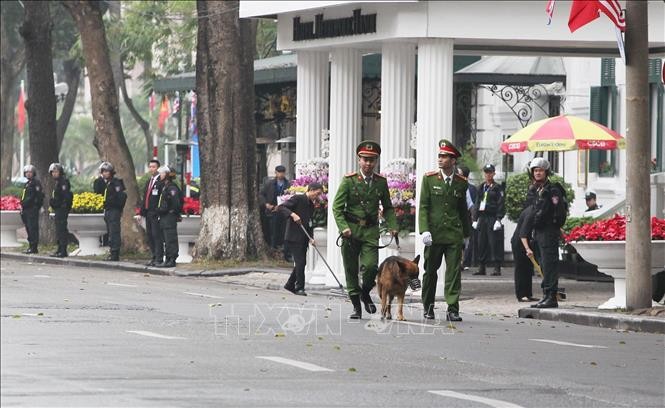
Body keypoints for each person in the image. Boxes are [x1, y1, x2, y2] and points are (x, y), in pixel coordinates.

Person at [332, 141, 398, 319]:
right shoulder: (349, 180)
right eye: (365, 160)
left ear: (376, 161)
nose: (368, 163)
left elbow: (388, 207)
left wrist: (393, 226)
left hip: (370, 231)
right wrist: (343, 227)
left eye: (372, 160)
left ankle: (365, 292)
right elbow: (337, 208)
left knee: (370, 267)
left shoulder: (381, 182)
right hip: (351, 231)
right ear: (359, 160)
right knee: (351, 269)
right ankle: (356, 307)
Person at [419, 140, 471, 322]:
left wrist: (466, 235)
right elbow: (424, 206)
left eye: (445, 156)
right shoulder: (429, 178)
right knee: (430, 271)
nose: (440, 159)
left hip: (453, 234)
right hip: (434, 234)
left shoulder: (461, 182)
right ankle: (428, 306)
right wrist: (424, 230)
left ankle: (453, 308)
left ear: (453, 160)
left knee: (453, 272)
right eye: (440, 156)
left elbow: (463, 209)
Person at [527, 157, 565, 309]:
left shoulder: (552, 190)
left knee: (550, 264)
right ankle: (546, 294)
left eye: (540, 170)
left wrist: (554, 226)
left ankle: (551, 296)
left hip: (548, 231)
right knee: (543, 263)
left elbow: (559, 212)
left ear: (546, 172)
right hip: (539, 232)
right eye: (535, 170)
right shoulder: (538, 190)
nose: (537, 173)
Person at [278, 182, 324, 296]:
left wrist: (311, 238)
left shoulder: (311, 205)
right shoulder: (298, 198)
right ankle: (300, 287)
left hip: (304, 237)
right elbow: (281, 207)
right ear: (311, 190)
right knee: (300, 262)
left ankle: (289, 284)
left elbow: (309, 223)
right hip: (294, 236)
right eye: (317, 193)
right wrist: (293, 214)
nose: (317, 196)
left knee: (301, 263)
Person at [472, 164, 505, 276]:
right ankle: (482, 266)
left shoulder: (497, 188)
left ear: (494, 173)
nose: (488, 174)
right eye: (486, 172)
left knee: (494, 242)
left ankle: (497, 267)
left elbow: (501, 204)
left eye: (490, 172)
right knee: (481, 242)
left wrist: (499, 219)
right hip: (482, 217)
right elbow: (477, 203)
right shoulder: (481, 187)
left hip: (492, 217)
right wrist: (475, 219)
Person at [259, 165, 291, 257]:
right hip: (272, 210)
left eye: (282, 173)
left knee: (284, 231)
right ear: (276, 173)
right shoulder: (269, 184)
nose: (281, 174)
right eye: (279, 172)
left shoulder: (288, 184)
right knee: (273, 230)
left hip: (283, 210)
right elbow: (261, 194)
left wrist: (282, 206)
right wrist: (266, 204)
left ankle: (284, 251)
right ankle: (272, 249)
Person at [156, 165, 182, 268]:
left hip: (169, 217)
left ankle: (171, 259)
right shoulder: (165, 186)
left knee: (170, 239)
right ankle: (167, 259)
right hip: (164, 217)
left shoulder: (172, 188)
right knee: (166, 240)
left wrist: (171, 212)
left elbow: (176, 204)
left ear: (167, 175)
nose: (160, 175)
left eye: (162, 173)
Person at [139, 160, 164, 266]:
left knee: (156, 235)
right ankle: (154, 257)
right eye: (150, 166)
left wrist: (158, 211)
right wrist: (141, 212)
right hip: (148, 212)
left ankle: (159, 258)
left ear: (158, 168)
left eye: (153, 167)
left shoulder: (161, 181)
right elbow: (145, 197)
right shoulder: (149, 181)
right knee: (150, 235)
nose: (151, 169)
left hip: (156, 213)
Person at [100, 162, 127, 261]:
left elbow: (122, 196)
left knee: (114, 232)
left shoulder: (116, 183)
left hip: (114, 211)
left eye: (107, 171)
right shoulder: (108, 183)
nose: (105, 173)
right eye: (103, 171)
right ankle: (112, 252)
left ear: (111, 172)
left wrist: (118, 208)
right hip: (108, 210)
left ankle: (115, 254)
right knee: (110, 232)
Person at [48, 163, 73, 258]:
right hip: (58, 209)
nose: (54, 173)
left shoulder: (63, 182)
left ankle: (63, 250)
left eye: (56, 171)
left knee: (62, 229)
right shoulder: (58, 182)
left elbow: (65, 196)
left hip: (62, 209)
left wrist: (61, 205)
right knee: (59, 230)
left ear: (60, 172)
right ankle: (59, 249)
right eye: (53, 172)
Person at [20, 164, 44, 254]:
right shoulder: (27, 184)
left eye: (30, 172)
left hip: (32, 209)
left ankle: (34, 247)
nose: (28, 174)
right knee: (28, 228)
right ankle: (30, 246)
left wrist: (35, 206)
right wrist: (22, 204)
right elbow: (24, 196)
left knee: (32, 228)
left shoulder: (36, 183)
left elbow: (37, 196)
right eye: (26, 172)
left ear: (33, 173)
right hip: (26, 209)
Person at [459, 165, 477, 271]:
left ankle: (464, 261)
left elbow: (472, 205)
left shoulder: (469, 188)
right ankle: (460, 261)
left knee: (465, 241)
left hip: (466, 218)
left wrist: (474, 219)